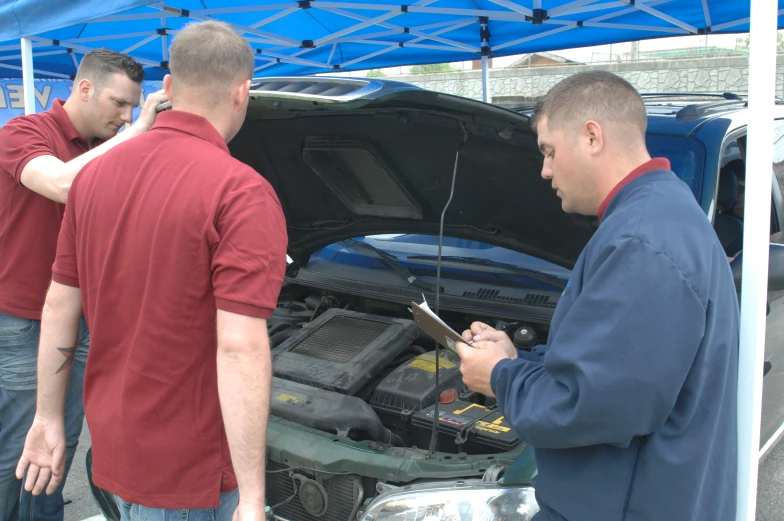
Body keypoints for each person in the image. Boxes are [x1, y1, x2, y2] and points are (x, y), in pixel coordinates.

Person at [15, 20, 287, 521]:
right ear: (242, 92)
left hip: (117, 444)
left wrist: (48, 418)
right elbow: (239, 346)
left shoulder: (93, 177)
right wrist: (252, 498)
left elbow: (59, 303)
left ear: (166, 87)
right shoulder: (240, 192)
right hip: (191, 474)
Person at [456, 71, 739, 521]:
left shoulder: (641, 242)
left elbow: (596, 405)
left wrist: (500, 378)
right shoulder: (657, 214)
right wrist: (515, 359)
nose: (545, 170)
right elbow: (614, 366)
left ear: (591, 136)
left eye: (549, 151)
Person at [0, 48, 167, 521]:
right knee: (21, 442)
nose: (126, 116)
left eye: (133, 108)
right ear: (84, 88)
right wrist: (137, 134)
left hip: (80, 318)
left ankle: (43, 513)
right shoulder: (24, 132)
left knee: (62, 435)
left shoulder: (103, 145)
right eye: (118, 104)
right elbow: (63, 185)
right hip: (26, 322)